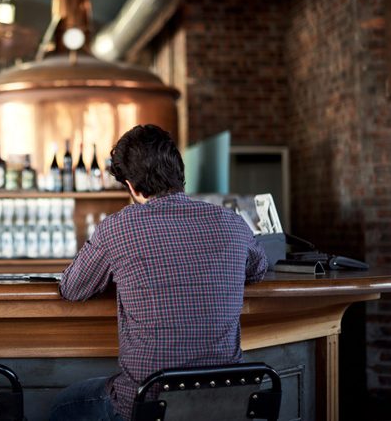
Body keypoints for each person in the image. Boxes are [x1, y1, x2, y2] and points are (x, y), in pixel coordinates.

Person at [49, 124, 268, 421]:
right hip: (229, 401)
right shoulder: (231, 222)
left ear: (131, 186)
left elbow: (72, 289)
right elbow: (259, 268)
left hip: (146, 404)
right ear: (179, 174)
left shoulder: (117, 228)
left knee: (62, 404)